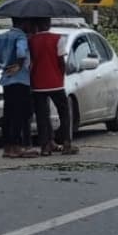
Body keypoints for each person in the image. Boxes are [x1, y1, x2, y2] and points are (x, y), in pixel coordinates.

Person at [28, 18, 76, 156]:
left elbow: (30, 61)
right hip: (55, 83)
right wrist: (61, 75)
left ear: (37, 25)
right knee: (64, 113)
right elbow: (61, 61)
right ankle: (66, 143)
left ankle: (45, 146)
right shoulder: (58, 39)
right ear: (48, 24)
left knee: (42, 116)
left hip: (38, 84)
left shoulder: (31, 41)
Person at [0, 18, 32, 158]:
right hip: (20, 79)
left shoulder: (3, 36)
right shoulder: (20, 36)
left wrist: (4, 61)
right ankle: (16, 146)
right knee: (20, 114)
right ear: (23, 23)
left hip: (7, 79)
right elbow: (21, 52)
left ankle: (7, 147)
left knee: (8, 113)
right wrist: (19, 65)